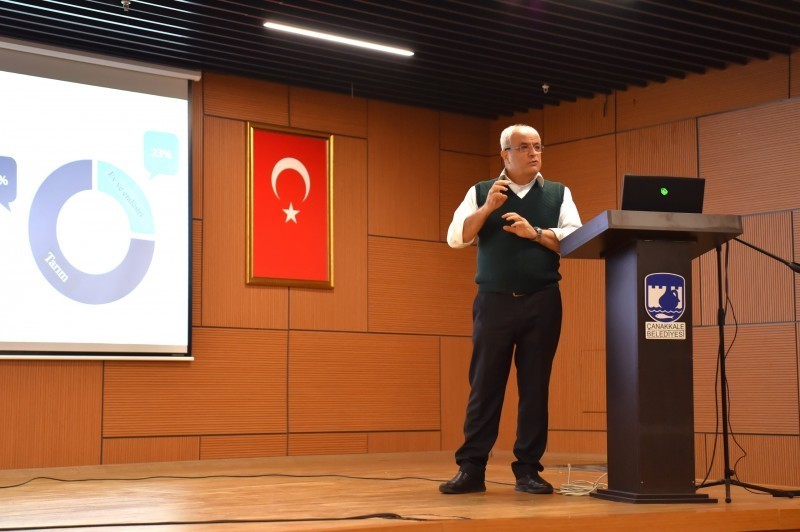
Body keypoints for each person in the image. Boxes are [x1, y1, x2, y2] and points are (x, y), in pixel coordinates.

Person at [441, 124, 582, 495]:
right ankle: (471, 469)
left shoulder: (558, 193)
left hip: (542, 301)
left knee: (535, 388)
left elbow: (576, 239)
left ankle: (528, 471)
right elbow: (457, 237)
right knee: (484, 386)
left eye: (538, 146)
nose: (534, 153)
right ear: (505, 154)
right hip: (494, 302)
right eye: (524, 147)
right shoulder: (481, 191)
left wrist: (534, 233)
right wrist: (488, 207)